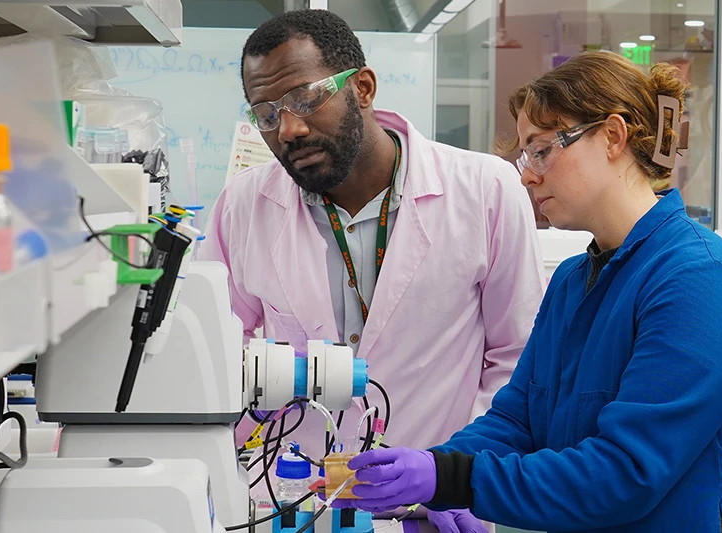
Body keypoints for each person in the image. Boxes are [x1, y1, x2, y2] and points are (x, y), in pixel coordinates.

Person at [343, 51, 722, 533]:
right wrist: (430, 467)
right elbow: (517, 421)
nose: (526, 175)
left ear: (613, 136)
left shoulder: (698, 281)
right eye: (525, 155)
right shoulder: (572, 281)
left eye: (542, 149)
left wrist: (453, 479)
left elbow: (625, 474)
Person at [199, 9, 545, 530]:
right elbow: (215, 359)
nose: (288, 128)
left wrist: (458, 477)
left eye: (305, 99)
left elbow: (516, 357)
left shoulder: (486, 190)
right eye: (266, 114)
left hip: (434, 508)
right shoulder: (241, 205)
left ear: (362, 87)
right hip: (292, 504)